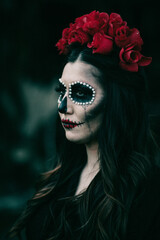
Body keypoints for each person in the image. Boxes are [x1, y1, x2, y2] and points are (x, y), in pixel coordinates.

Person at [9, 10, 160, 240]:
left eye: (80, 93)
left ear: (116, 101)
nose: (62, 107)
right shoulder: (59, 178)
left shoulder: (146, 193)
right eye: (62, 91)